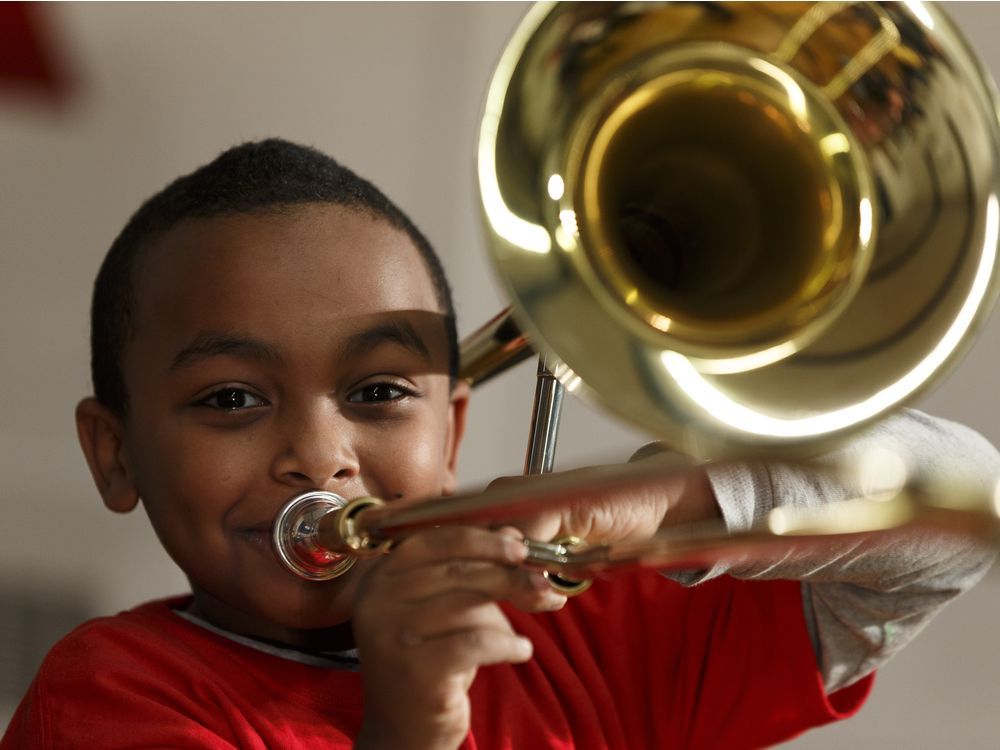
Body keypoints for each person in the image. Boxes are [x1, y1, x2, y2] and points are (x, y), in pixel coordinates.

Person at [1, 139, 997, 750]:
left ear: (454, 431)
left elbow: (960, 505)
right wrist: (407, 734)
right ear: (115, 454)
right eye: (230, 397)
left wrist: (665, 501)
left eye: (380, 391)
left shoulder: (582, 640)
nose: (319, 454)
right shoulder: (108, 693)